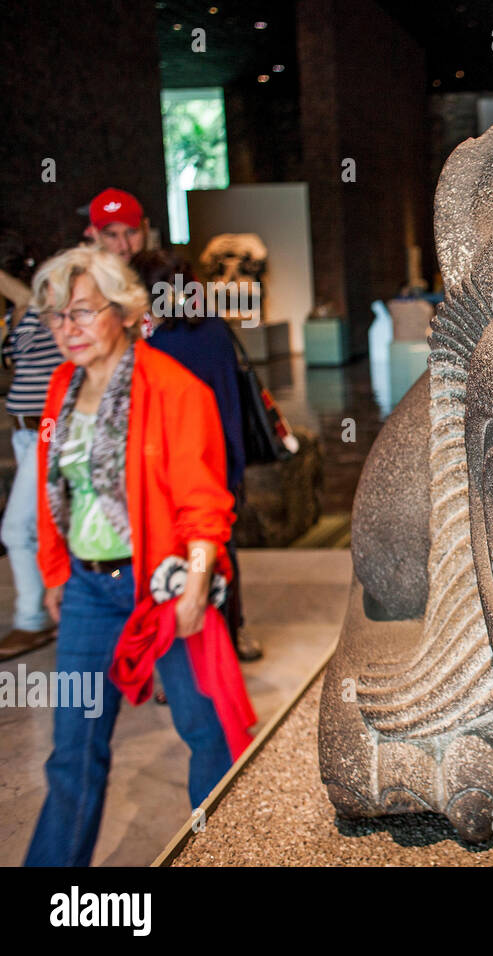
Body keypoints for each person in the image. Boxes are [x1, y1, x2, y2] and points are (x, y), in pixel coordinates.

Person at [23, 246, 249, 866]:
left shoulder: (175, 389)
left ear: (122, 310)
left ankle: (223, 852)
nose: (66, 330)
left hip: (164, 585)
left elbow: (206, 503)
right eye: (53, 317)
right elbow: (55, 486)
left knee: (207, 735)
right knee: (72, 749)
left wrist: (197, 586)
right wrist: (54, 571)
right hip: (90, 591)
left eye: (80, 313)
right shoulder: (61, 387)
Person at [131, 248, 258, 660]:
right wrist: (234, 467)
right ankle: (230, 637)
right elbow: (231, 407)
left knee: (174, 555)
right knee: (221, 554)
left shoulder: (155, 344)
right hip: (218, 464)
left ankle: (182, 652)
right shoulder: (212, 330)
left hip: (176, 470)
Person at [0, 240, 64, 660]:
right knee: (43, 524)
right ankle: (54, 605)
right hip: (21, 433)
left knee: (16, 528)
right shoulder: (17, 316)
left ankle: (32, 619)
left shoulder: (51, 310)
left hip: (47, 431)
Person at [85, 188, 148, 261]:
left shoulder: (162, 269)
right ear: (95, 235)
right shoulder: (87, 271)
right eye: (112, 235)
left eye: (131, 232)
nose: (125, 247)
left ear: (146, 227)